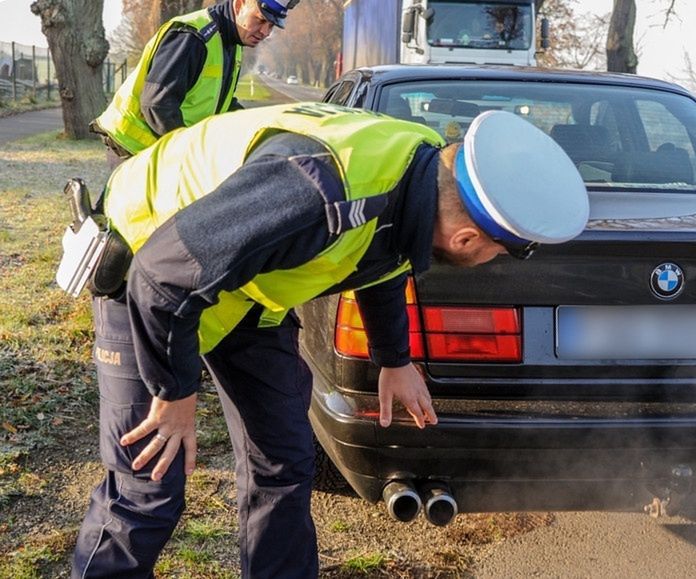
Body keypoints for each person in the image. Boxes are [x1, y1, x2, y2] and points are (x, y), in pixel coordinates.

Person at [70, 101, 589, 578]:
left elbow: (383, 255)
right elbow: (162, 279)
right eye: (498, 252)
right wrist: (174, 392)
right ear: (467, 238)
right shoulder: (320, 192)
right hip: (146, 265)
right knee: (149, 485)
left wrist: (394, 358)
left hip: (244, 287)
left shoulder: (425, 173)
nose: (491, 261)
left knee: (283, 461)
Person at [91, 0, 299, 167]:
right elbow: (158, 104)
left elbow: (220, 102)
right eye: (260, 20)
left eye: (271, 26)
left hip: (160, 146)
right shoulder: (194, 36)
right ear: (239, 4)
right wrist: (188, 153)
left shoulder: (232, 42)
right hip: (134, 145)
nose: (265, 32)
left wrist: (259, 128)